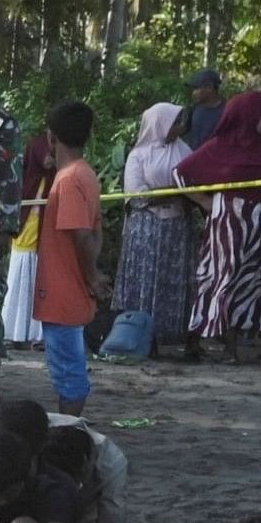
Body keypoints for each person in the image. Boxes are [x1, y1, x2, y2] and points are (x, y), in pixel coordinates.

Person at [177, 90, 261, 361]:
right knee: (223, 278)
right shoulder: (217, 146)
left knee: (260, 280)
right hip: (227, 226)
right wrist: (206, 202)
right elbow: (181, 174)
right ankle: (222, 345)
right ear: (246, 115)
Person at [104, 104, 192, 359]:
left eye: (179, 123)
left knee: (171, 281)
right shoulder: (138, 155)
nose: (178, 128)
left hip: (176, 229)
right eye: (173, 123)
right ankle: (141, 336)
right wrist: (168, 192)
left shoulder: (184, 150)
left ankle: (172, 334)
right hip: (147, 229)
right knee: (145, 281)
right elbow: (135, 194)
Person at [32, 102, 104, 411]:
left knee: (68, 373)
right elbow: (92, 233)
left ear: (51, 136)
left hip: (63, 291)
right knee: (69, 368)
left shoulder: (69, 179)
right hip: (69, 288)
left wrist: (92, 277)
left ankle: (69, 432)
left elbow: (80, 234)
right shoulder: (84, 174)